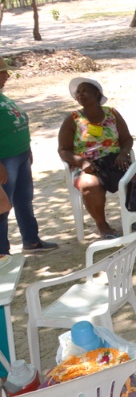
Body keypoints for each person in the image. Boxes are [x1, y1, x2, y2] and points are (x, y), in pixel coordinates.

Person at [57, 77, 134, 239]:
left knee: (132, 175)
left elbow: (127, 139)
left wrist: (123, 153)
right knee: (90, 185)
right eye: (78, 93)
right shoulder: (73, 119)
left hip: (114, 159)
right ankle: (102, 225)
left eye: (84, 91)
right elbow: (63, 150)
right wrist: (81, 161)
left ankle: (133, 215)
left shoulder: (112, 113)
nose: (80, 95)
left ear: (96, 93)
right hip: (87, 164)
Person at [0, 58, 57, 254]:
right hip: (4, 159)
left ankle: (31, 240)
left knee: (24, 199)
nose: (7, 75)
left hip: (20, 155)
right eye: (3, 72)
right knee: (2, 205)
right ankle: (2, 252)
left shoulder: (2, 96)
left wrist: (27, 148)